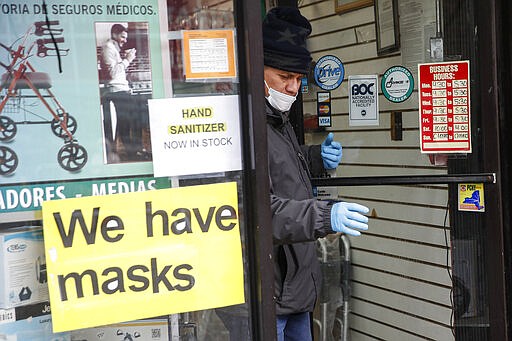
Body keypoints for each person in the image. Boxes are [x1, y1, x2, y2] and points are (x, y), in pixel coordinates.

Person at [262, 7, 370, 341]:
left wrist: (315, 158)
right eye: (284, 77)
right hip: (271, 289)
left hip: (295, 288)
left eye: (298, 79)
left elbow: (282, 173)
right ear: (257, 68)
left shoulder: (278, 121)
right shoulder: (247, 125)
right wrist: (325, 215)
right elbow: (259, 210)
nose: (293, 88)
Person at [99, 23, 149, 162]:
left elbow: (117, 70)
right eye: (123, 37)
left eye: (126, 37)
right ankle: (132, 152)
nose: (125, 40)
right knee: (126, 123)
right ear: (114, 34)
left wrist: (125, 59)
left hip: (122, 90)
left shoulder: (114, 48)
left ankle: (137, 149)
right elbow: (112, 73)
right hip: (116, 92)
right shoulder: (108, 48)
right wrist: (128, 60)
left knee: (134, 120)